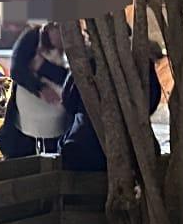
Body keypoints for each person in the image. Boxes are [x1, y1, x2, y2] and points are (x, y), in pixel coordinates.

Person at [59, 42, 165, 172]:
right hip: (132, 150)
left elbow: (68, 102)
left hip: (84, 149)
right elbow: (151, 103)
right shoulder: (140, 65)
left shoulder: (86, 63)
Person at [0, 24, 69, 157]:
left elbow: (70, 78)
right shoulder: (33, 37)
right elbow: (17, 70)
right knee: (23, 155)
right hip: (27, 115)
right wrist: (40, 88)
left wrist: (43, 67)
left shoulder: (76, 46)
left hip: (59, 119)